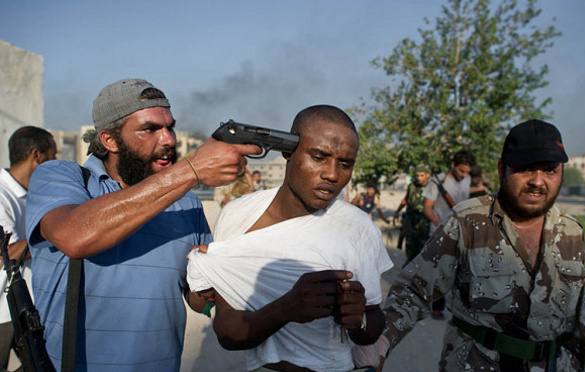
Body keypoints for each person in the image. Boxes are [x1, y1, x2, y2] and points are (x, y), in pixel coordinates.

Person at [24, 78, 260, 371]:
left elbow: (198, 299)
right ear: (109, 140)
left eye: (169, 127)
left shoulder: (186, 203)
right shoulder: (60, 177)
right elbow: (75, 236)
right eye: (150, 129)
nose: (168, 140)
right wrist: (191, 170)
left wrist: (216, 283)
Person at [356, 119, 585, 372]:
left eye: (549, 171)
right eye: (525, 169)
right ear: (502, 170)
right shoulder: (467, 222)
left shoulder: (571, 232)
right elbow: (414, 291)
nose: (537, 181)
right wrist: (380, 343)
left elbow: (577, 321)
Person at [187, 105, 393, 372]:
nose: (332, 174)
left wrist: (358, 319)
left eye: (345, 164)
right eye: (318, 157)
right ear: (288, 151)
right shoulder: (239, 215)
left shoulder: (357, 227)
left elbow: (371, 324)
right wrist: (287, 308)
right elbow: (228, 333)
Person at [0, 126, 56, 370]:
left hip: (26, 309)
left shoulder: (31, 193)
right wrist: (58, 234)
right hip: (2, 314)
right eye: (52, 156)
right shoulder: (1, 195)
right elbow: (9, 254)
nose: (55, 163)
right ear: (37, 156)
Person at [422, 149, 476, 319]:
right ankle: (436, 307)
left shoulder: (467, 179)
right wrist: (441, 225)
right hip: (441, 233)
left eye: (467, 172)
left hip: (463, 233)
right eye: (461, 170)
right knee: (440, 273)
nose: (464, 175)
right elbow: (427, 208)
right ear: (453, 165)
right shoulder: (437, 181)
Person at [392, 164, 430, 264]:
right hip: (411, 223)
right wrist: (397, 211)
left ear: (427, 175)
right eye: (417, 175)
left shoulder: (432, 187)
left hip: (425, 224)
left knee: (424, 252)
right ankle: (409, 271)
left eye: (421, 175)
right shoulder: (412, 185)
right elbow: (405, 200)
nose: (419, 178)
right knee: (410, 251)